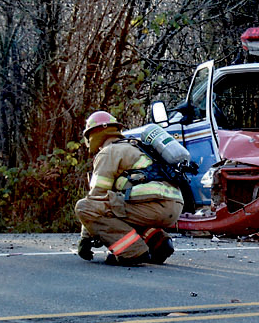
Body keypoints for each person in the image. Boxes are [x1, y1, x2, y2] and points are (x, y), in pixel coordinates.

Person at [74, 111, 180, 266]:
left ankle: (131, 252)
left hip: (152, 204)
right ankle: (158, 243)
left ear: (94, 134)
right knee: (119, 205)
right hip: (173, 204)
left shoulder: (108, 152)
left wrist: (85, 237)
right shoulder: (135, 146)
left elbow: (96, 198)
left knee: (84, 207)